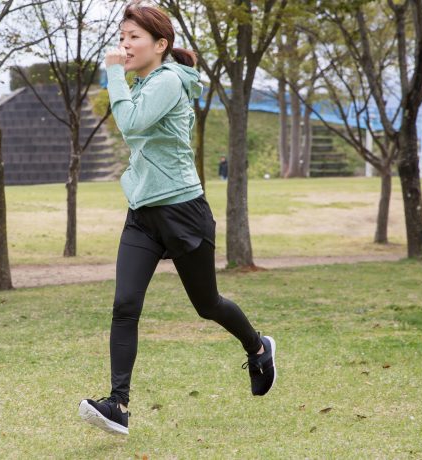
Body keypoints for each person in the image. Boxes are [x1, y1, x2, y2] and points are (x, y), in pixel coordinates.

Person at [78, 2, 276, 436]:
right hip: (143, 214)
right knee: (125, 305)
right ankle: (118, 404)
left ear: (160, 44)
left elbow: (130, 124)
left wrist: (112, 73)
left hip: (183, 210)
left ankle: (258, 347)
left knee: (208, 305)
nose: (125, 45)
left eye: (134, 37)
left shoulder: (167, 81)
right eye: (122, 37)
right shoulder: (146, 81)